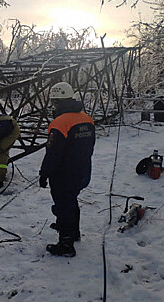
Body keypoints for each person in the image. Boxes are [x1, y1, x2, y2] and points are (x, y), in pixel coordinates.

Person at [39, 82, 95, 257]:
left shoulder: (59, 123)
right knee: (71, 201)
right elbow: (90, 146)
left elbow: (53, 153)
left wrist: (44, 173)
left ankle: (66, 243)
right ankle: (74, 231)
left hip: (64, 174)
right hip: (83, 170)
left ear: (56, 102)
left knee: (64, 206)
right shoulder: (87, 119)